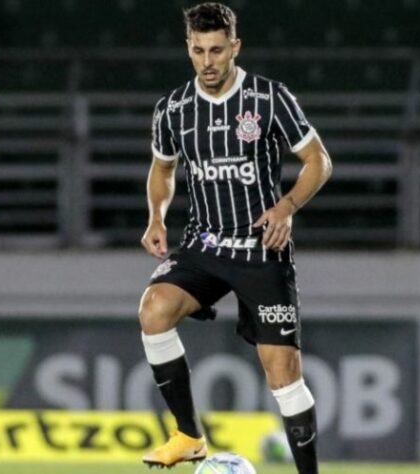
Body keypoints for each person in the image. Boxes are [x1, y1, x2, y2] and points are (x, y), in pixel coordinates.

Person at [137, 3, 332, 473]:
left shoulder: (268, 98)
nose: (208, 61)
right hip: (205, 244)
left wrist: (286, 207)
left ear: (235, 48)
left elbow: (318, 161)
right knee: (154, 309)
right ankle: (188, 436)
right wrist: (156, 218)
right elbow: (163, 169)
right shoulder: (174, 110)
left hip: (261, 249)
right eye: (199, 50)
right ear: (188, 48)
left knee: (283, 374)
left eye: (217, 50)